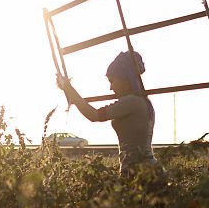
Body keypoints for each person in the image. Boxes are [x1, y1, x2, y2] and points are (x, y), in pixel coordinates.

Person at [57, 50, 162, 178]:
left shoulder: (131, 102)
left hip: (140, 173)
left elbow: (94, 115)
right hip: (143, 170)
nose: (111, 88)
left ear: (125, 80)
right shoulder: (141, 101)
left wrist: (69, 89)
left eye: (112, 81)